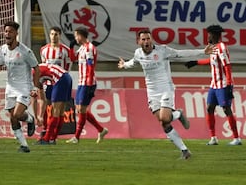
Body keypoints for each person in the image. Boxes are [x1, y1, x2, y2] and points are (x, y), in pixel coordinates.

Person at [118, 28, 214, 159]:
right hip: (152, 92)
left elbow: (180, 53)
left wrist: (202, 52)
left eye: (148, 38)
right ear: (139, 41)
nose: (147, 41)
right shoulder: (138, 53)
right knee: (164, 123)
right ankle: (185, 151)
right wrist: (124, 65)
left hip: (165, 89)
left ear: (151, 39)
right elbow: (133, 63)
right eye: (144, 39)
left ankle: (178, 113)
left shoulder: (162, 50)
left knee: (165, 118)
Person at [0, 21, 40, 153]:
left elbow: (36, 68)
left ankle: (30, 119)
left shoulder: (25, 51)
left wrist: (35, 88)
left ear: (16, 33)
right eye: (6, 31)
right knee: (13, 118)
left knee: (18, 114)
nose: (7, 34)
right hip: (10, 88)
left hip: (24, 87)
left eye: (10, 31)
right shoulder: (2, 50)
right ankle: (24, 146)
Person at [184, 24, 242, 146]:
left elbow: (227, 66)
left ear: (215, 35)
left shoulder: (221, 47)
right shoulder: (213, 47)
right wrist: (196, 62)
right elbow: (211, 61)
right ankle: (213, 138)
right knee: (210, 108)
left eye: (209, 34)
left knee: (226, 109)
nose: (208, 36)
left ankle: (236, 138)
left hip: (223, 84)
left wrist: (229, 85)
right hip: (214, 85)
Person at [66, 27, 108, 144]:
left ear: (80, 35)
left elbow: (90, 65)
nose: (75, 38)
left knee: (82, 109)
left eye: (76, 36)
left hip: (87, 83)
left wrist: (89, 84)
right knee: (80, 109)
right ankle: (101, 129)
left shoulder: (89, 48)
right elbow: (73, 58)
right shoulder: (82, 48)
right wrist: (71, 47)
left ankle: (77, 137)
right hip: (81, 82)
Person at [38, 26, 72, 139]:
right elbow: (43, 65)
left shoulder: (65, 50)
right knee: (47, 107)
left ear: (60, 36)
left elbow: (68, 66)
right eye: (52, 34)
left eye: (56, 34)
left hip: (60, 81)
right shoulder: (44, 50)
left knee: (58, 108)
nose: (53, 36)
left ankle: (52, 135)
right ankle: (46, 130)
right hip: (48, 83)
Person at [33, 63, 73, 145]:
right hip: (67, 77)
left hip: (60, 79)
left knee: (55, 111)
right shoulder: (35, 70)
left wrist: (37, 117)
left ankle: (46, 139)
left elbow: (35, 99)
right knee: (60, 111)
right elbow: (42, 99)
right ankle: (52, 138)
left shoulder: (32, 75)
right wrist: (39, 116)